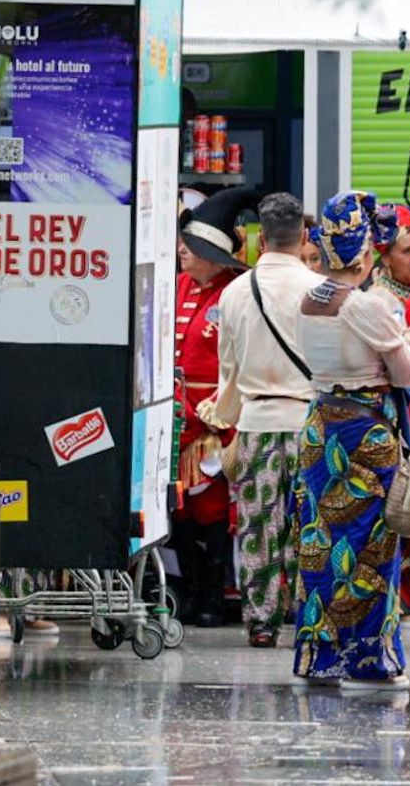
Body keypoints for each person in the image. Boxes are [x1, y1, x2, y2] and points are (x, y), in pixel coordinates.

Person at [291, 191, 410, 690]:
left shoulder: (308, 300)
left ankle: (320, 654)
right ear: (366, 254)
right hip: (365, 433)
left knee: (319, 542)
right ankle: (369, 659)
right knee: (371, 548)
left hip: (320, 425)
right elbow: (407, 375)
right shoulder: (364, 306)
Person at [208, 192, 323, 648]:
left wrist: (225, 416)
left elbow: (228, 368)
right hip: (307, 420)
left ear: (259, 238)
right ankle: (304, 610)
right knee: (308, 521)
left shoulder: (235, 292)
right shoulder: (319, 291)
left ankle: (260, 620)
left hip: (256, 422)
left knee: (258, 523)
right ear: (304, 235)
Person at [172, 186, 256, 628]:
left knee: (215, 513)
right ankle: (188, 590)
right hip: (178, 420)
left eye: (193, 247)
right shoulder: (178, 285)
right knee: (179, 510)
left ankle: (212, 595)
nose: (183, 252)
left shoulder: (236, 291)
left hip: (214, 422)